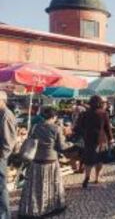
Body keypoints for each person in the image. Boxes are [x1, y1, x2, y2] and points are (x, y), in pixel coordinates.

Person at [18, 107, 72, 218]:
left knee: (35, 187)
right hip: (50, 161)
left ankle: (33, 209)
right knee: (51, 185)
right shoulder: (56, 128)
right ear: (54, 117)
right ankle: (50, 208)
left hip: (36, 161)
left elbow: (30, 141)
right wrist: (71, 144)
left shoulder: (35, 127)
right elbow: (61, 147)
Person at [78, 96, 114, 188]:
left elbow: (79, 126)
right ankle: (97, 177)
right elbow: (107, 128)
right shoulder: (104, 113)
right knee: (100, 159)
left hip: (88, 139)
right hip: (101, 139)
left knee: (88, 160)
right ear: (100, 103)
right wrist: (111, 139)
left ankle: (87, 177)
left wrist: (84, 134)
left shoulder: (85, 113)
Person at [0, 91, 16, 219]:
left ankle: (5, 216)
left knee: (1, 188)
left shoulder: (6, 115)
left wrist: (2, 157)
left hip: (0, 158)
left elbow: (9, 142)